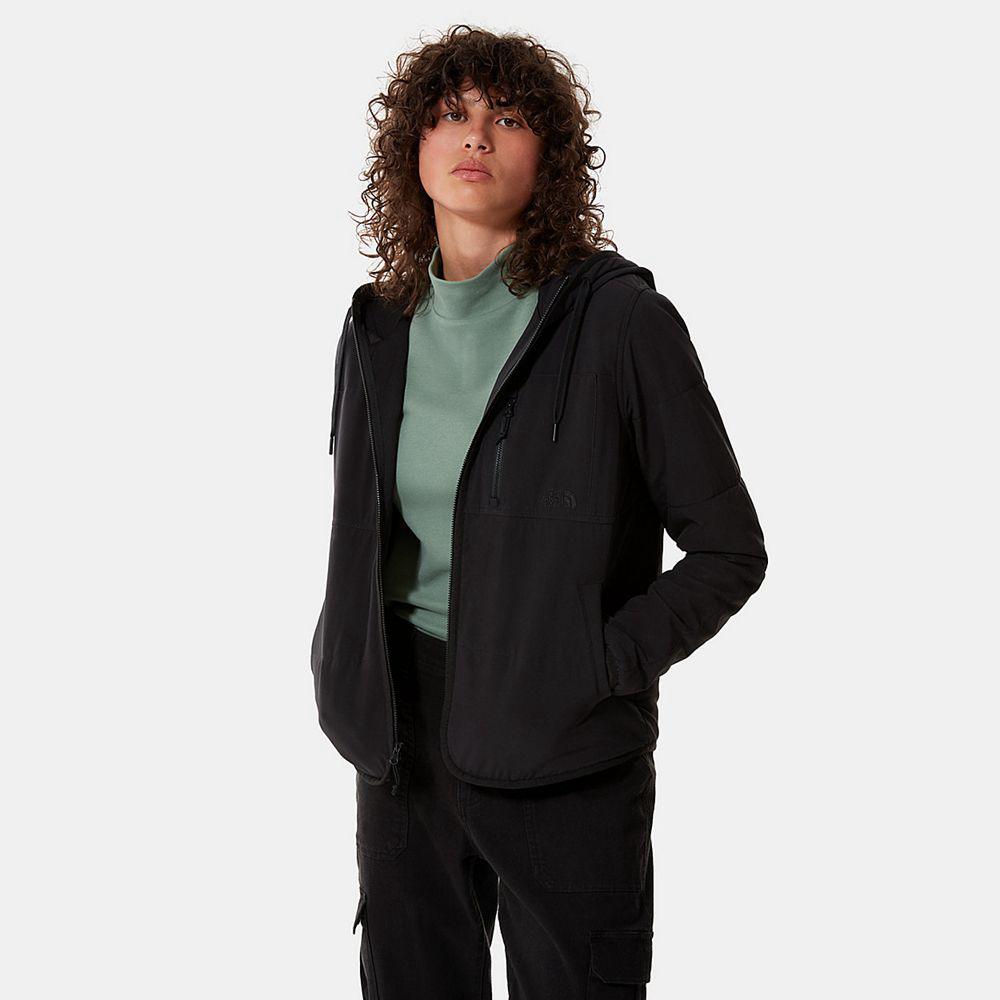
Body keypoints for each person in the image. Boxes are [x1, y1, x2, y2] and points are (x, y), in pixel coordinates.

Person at [311, 24, 768, 999]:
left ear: (549, 157)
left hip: (564, 748)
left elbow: (729, 549)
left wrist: (596, 665)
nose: (475, 135)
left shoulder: (620, 323)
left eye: (508, 117)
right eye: (451, 114)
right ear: (413, 146)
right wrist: (341, 663)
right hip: (399, 739)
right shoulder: (375, 327)